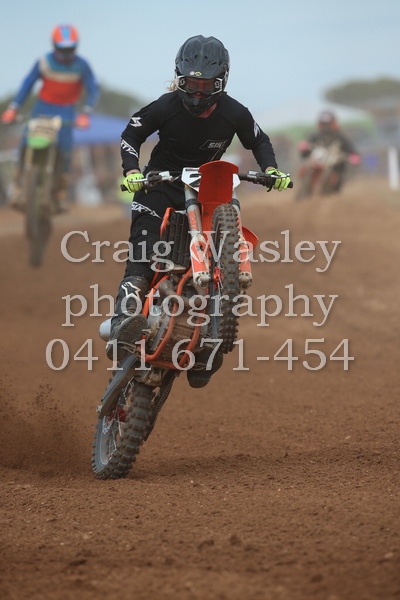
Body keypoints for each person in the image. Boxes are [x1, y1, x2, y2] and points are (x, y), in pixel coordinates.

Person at [107, 34, 291, 387]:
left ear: (221, 82)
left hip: (207, 188)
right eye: (191, 84)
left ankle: (211, 339)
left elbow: (259, 141)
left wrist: (270, 169)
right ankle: (123, 320)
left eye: (206, 85)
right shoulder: (165, 106)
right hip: (160, 186)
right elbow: (130, 136)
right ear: (179, 78)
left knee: (224, 250)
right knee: (144, 248)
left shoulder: (235, 112)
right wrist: (131, 171)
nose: (197, 93)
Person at [1, 24, 99, 212]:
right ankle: (18, 186)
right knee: (25, 143)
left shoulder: (82, 65)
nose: (65, 53)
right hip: (41, 111)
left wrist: (85, 113)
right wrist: (13, 108)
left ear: (76, 47)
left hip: (66, 113)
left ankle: (60, 192)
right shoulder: (43, 62)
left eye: (70, 49)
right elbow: (27, 84)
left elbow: (93, 89)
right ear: (54, 45)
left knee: (65, 150)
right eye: (62, 49)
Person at [298, 110, 361, 193]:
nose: (326, 127)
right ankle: (304, 188)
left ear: (334, 123)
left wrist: (354, 158)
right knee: (303, 169)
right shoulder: (315, 136)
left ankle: (329, 192)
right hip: (317, 163)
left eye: (328, 124)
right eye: (324, 124)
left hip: (335, 167)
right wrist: (304, 149)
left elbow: (352, 152)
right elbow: (305, 151)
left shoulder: (341, 138)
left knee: (334, 178)